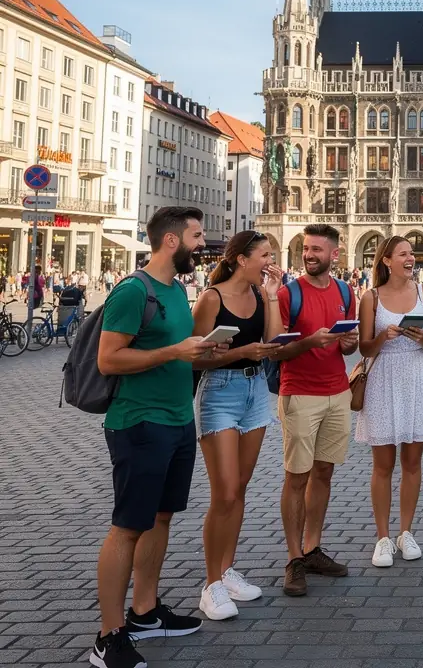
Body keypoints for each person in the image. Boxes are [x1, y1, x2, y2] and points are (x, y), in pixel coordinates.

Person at [93, 206, 221, 668]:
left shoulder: (176, 290)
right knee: (128, 527)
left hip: (177, 420)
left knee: (161, 517)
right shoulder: (134, 291)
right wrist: (175, 349)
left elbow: (177, 357)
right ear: (172, 241)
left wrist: (206, 351)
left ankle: (144, 611)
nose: (202, 243)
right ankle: (108, 636)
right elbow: (109, 360)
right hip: (140, 423)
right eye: (196, 235)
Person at [190, 231, 285, 621]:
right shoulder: (211, 299)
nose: (270, 261)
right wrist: (242, 352)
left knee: (241, 487)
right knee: (225, 491)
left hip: (256, 391)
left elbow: (275, 343)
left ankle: (226, 571)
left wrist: (275, 295)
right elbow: (192, 358)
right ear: (240, 259)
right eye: (264, 255)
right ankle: (210, 585)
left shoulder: (262, 296)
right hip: (220, 393)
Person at [273, 224, 359, 598]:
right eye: (306, 249)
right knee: (296, 477)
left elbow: (347, 350)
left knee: (323, 473)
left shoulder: (345, 291)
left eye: (316, 250)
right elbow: (276, 350)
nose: (309, 255)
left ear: (334, 255)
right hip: (299, 394)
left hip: (338, 391)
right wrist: (310, 341)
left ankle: (312, 547)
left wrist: (348, 343)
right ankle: (294, 559)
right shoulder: (286, 294)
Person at [356, 237, 423, 567]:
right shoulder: (371, 298)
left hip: (416, 376)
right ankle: (382, 538)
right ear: (386, 261)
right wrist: (383, 336)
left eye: (412, 254)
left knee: (413, 462)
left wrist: (422, 338)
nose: (411, 258)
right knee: (383, 465)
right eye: (403, 254)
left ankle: (406, 533)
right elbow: (364, 348)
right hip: (382, 379)